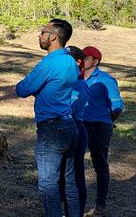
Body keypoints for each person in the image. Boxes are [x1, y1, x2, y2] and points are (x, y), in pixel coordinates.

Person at [16, 19, 79, 217]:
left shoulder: (49, 63)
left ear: (53, 36)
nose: (39, 35)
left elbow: (23, 89)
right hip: (70, 124)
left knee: (48, 184)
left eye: (43, 31)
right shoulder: (70, 60)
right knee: (69, 182)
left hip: (51, 128)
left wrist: (38, 89)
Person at [81, 46, 124, 216]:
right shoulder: (76, 77)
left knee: (100, 165)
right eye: (81, 56)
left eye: (86, 57)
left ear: (95, 61)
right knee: (73, 164)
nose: (82, 59)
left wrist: (108, 121)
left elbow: (117, 105)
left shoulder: (107, 80)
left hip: (99, 127)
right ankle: (73, 201)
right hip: (80, 125)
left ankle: (100, 204)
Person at [59, 46, 90, 217]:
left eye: (68, 59)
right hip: (60, 128)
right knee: (60, 176)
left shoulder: (79, 84)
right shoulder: (63, 80)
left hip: (76, 128)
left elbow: (69, 108)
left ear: (78, 63)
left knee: (76, 176)